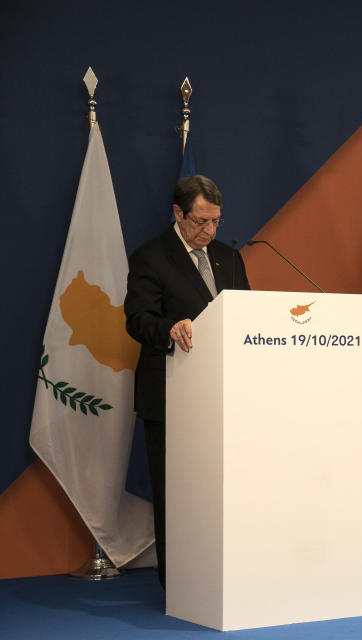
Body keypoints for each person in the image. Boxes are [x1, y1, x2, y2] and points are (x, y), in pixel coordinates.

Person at [124, 175, 250, 588]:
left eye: (216, 222)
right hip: (171, 394)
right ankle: (179, 582)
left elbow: (245, 316)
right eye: (200, 222)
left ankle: (225, 575)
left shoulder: (229, 260)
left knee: (223, 491)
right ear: (177, 214)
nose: (209, 232)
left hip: (226, 397)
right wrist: (169, 330)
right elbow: (137, 320)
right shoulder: (150, 257)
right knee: (175, 493)